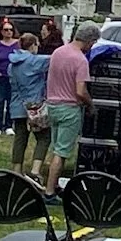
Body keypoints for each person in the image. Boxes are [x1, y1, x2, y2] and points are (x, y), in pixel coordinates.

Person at [41, 21, 98, 194]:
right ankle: (50, 192)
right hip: (69, 109)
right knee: (62, 152)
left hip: (52, 106)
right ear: (89, 41)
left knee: (56, 148)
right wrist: (91, 105)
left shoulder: (58, 52)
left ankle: (53, 183)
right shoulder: (80, 60)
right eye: (93, 43)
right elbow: (80, 91)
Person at [6, 32, 52, 175]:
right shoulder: (35, 61)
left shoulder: (12, 64)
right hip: (34, 106)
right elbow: (55, 59)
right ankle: (35, 170)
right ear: (33, 45)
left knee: (20, 138)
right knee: (44, 137)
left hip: (16, 105)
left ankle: (16, 170)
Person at [0, 17, 18, 136]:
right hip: (0, 78)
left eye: (10, 30)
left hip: (13, 78)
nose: (8, 32)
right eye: (6, 30)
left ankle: (9, 125)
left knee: (11, 102)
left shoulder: (17, 45)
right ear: (1, 31)